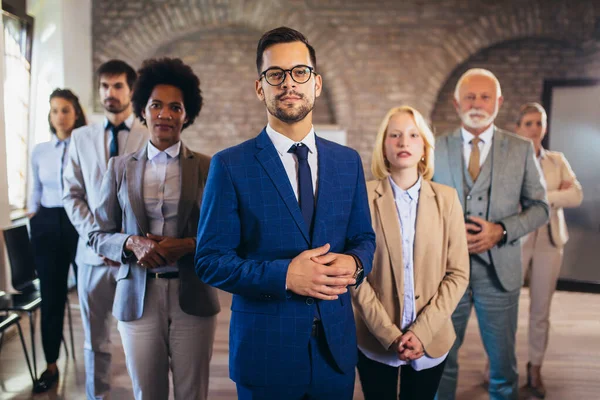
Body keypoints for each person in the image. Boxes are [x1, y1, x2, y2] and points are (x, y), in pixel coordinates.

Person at [195, 27, 375, 400]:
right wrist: (285, 276)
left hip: (334, 353)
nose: (288, 83)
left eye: (299, 72)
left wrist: (356, 264)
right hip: (265, 355)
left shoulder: (348, 162)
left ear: (317, 83)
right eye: (275, 74)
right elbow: (210, 261)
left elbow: (364, 238)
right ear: (260, 87)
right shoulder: (230, 165)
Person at [88, 57, 220, 400]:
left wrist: (187, 245)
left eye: (175, 107)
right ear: (142, 111)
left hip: (193, 295)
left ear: (187, 114)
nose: (165, 114)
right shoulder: (119, 168)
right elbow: (98, 234)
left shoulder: (209, 167)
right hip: (137, 296)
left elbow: (224, 235)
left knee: (193, 393)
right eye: (156, 105)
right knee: (148, 393)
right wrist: (132, 242)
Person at [433, 68, 549, 400]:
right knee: (441, 361)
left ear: (498, 102)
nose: (477, 103)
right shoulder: (434, 147)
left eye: (485, 96)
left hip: (500, 274)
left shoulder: (521, 148)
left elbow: (540, 207)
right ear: (457, 103)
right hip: (445, 273)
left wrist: (502, 230)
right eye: (470, 96)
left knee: (502, 366)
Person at [351, 106, 469, 400]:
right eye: (395, 135)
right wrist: (389, 335)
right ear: (383, 146)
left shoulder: (448, 200)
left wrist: (422, 332)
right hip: (374, 338)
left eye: (413, 135)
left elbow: (458, 273)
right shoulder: (362, 197)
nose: (404, 143)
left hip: (432, 339)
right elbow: (355, 274)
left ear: (425, 148)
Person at [62, 60, 148, 399]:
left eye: (117, 86)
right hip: (93, 254)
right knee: (95, 339)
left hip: (134, 257)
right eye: (104, 87)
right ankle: (96, 396)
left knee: (140, 338)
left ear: (131, 90)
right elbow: (72, 194)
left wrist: (125, 244)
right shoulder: (80, 137)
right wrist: (100, 241)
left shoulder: (147, 133)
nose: (109, 94)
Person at [515, 102, 582, 398]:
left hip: (550, 242)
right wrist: (556, 195)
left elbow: (576, 195)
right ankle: (500, 364)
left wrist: (542, 197)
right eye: (528, 123)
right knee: (503, 309)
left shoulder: (557, 160)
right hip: (517, 241)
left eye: (538, 123)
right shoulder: (510, 160)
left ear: (545, 127)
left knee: (541, 309)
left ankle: (535, 368)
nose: (534, 129)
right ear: (518, 128)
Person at [27, 89, 86, 393]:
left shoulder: (87, 145)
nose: (59, 117)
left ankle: (94, 360)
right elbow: (34, 191)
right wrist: (33, 223)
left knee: (89, 293)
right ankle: (51, 365)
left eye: (65, 110)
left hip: (79, 222)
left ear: (76, 112)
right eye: (54, 111)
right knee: (52, 299)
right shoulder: (39, 150)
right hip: (47, 224)